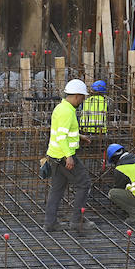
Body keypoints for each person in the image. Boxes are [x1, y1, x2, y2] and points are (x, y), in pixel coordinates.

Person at [42, 79, 91, 231]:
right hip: (63, 157)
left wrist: (79, 137)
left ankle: (50, 223)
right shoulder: (67, 112)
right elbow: (62, 137)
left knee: (56, 190)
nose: (82, 101)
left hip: (54, 157)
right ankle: (77, 220)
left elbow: (61, 131)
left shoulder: (61, 107)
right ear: (76, 96)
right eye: (82, 98)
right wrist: (69, 156)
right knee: (84, 183)